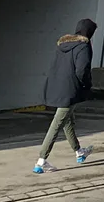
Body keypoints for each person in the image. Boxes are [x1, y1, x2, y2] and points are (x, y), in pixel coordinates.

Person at [33, 19, 97, 174]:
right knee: (57, 124)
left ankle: (79, 152)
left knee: (67, 120)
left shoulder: (62, 45)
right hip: (70, 90)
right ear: (89, 32)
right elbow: (82, 70)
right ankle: (41, 161)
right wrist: (87, 85)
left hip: (56, 87)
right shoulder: (83, 46)